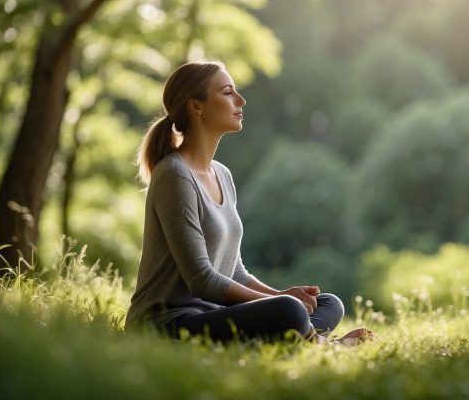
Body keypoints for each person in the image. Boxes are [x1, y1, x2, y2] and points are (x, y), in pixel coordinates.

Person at [125, 60, 373, 344]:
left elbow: (235, 271)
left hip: (214, 315)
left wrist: (280, 295)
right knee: (289, 311)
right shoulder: (174, 174)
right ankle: (328, 346)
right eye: (228, 92)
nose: (241, 100)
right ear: (196, 106)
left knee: (328, 304)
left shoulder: (223, 174)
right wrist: (282, 304)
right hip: (169, 325)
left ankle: (295, 333)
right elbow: (202, 280)